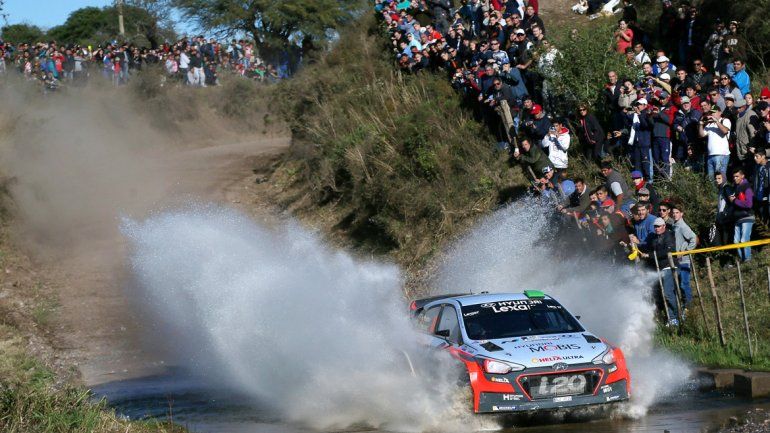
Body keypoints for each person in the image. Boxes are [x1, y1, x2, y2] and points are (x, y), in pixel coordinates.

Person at [639, 217, 680, 325]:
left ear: (664, 226)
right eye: (655, 227)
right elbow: (648, 248)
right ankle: (667, 317)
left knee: (668, 293)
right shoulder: (654, 238)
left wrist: (650, 255)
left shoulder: (669, 235)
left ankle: (674, 318)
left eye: (659, 226)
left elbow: (668, 250)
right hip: (659, 268)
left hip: (669, 267)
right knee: (660, 294)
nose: (656, 228)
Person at [671, 203, 696, 306]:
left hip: (684, 260)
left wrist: (685, 251)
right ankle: (684, 304)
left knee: (684, 284)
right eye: (673, 213)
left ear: (682, 214)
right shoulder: (675, 225)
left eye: (677, 213)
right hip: (677, 260)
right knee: (680, 284)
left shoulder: (682, 226)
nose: (675, 215)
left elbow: (693, 238)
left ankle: (689, 305)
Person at [699, 106, 731, 179]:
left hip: (721, 154)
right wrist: (701, 124)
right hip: (710, 155)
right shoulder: (710, 124)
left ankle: (723, 190)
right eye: (711, 112)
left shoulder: (725, 120)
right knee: (711, 179)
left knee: (720, 178)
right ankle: (713, 191)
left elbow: (725, 131)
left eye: (714, 112)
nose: (712, 114)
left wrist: (716, 121)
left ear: (720, 112)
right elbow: (701, 135)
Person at [730, 169, 754, 261]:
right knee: (736, 242)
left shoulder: (747, 187)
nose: (735, 178)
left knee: (744, 240)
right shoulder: (736, 187)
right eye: (734, 176)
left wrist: (735, 201)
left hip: (747, 217)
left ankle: (747, 260)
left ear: (742, 176)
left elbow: (749, 204)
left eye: (737, 176)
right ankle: (743, 260)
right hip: (738, 218)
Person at [754, 150, 770, 225]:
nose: (755, 158)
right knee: (763, 219)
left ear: (763, 156)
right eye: (754, 156)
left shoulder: (768, 165)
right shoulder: (757, 167)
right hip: (759, 196)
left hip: (767, 196)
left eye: (757, 156)